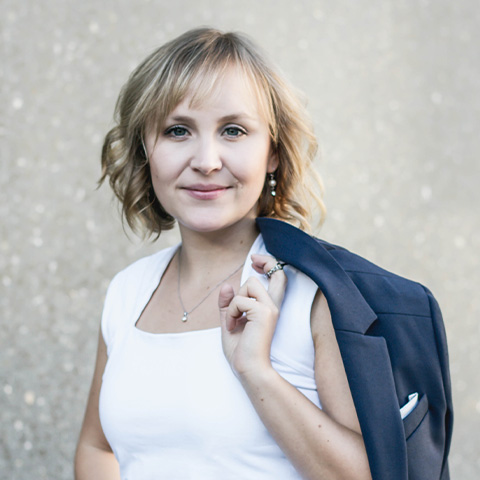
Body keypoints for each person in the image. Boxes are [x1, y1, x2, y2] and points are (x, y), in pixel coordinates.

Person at [74, 28, 453, 480]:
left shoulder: (315, 296)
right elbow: (97, 446)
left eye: (233, 131)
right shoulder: (128, 291)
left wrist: (257, 372)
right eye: (177, 131)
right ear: (145, 150)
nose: (207, 160)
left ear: (272, 151)